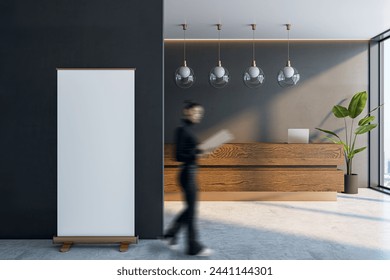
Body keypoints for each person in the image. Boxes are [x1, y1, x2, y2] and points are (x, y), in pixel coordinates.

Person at [162, 101, 213, 256]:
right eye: (196, 112)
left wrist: (198, 151)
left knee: (190, 209)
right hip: (187, 174)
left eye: (200, 113)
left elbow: (189, 151)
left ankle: (171, 234)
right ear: (187, 112)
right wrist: (197, 152)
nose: (199, 116)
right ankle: (193, 246)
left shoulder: (188, 129)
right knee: (191, 211)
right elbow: (177, 156)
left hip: (190, 172)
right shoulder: (182, 130)